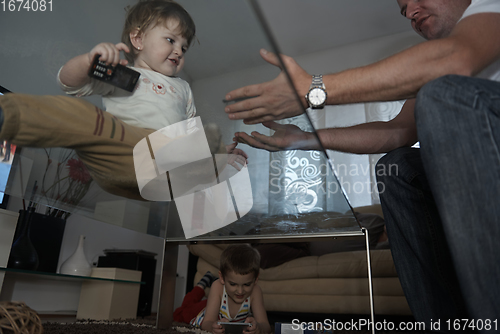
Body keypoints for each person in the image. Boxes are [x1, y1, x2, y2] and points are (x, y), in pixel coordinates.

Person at [225, 0, 500, 331]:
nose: (410, 13)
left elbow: (457, 57)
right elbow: (396, 132)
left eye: (414, 0)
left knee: (441, 90)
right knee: (397, 167)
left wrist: (313, 89)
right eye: (403, 11)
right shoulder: (441, 65)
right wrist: (303, 139)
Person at [0, 0, 246, 201]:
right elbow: (68, 82)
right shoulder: (123, 73)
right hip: (123, 152)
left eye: (184, 47)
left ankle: (220, 179)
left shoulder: (183, 87)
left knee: (196, 154)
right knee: (83, 116)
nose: (179, 51)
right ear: (138, 40)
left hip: (163, 170)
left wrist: (215, 153)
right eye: (171, 40)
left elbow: (191, 134)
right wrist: (88, 61)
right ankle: (10, 116)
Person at [173, 244, 271, 334]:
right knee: (182, 313)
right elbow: (207, 323)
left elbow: (266, 326)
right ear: (222, 278)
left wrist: (258, 328)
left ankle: (203, 283)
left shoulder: (255, 291)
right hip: (202, 316)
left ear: (256, 279)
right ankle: (201, 284)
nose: (240, 291)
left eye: (247, 284)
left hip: (213, 307)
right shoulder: (217, 286)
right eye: (233, 284)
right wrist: (213, 328)